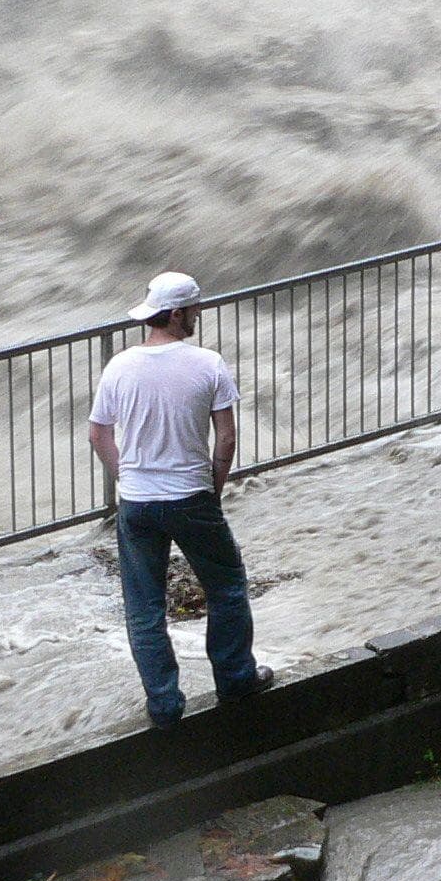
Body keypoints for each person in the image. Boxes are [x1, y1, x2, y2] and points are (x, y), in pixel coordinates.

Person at [87, 272, 276, 726]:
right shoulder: (208, 364)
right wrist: (212, 489)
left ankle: (165, 705)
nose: (197, 317)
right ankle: (235, 681)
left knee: (144, 607)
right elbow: (225, 440)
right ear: (176, 314)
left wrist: (127, 478)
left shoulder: (119, 366)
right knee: (227, 589)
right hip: (191, 496)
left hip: (137, 503)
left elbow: (98, 434)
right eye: (194, 310)